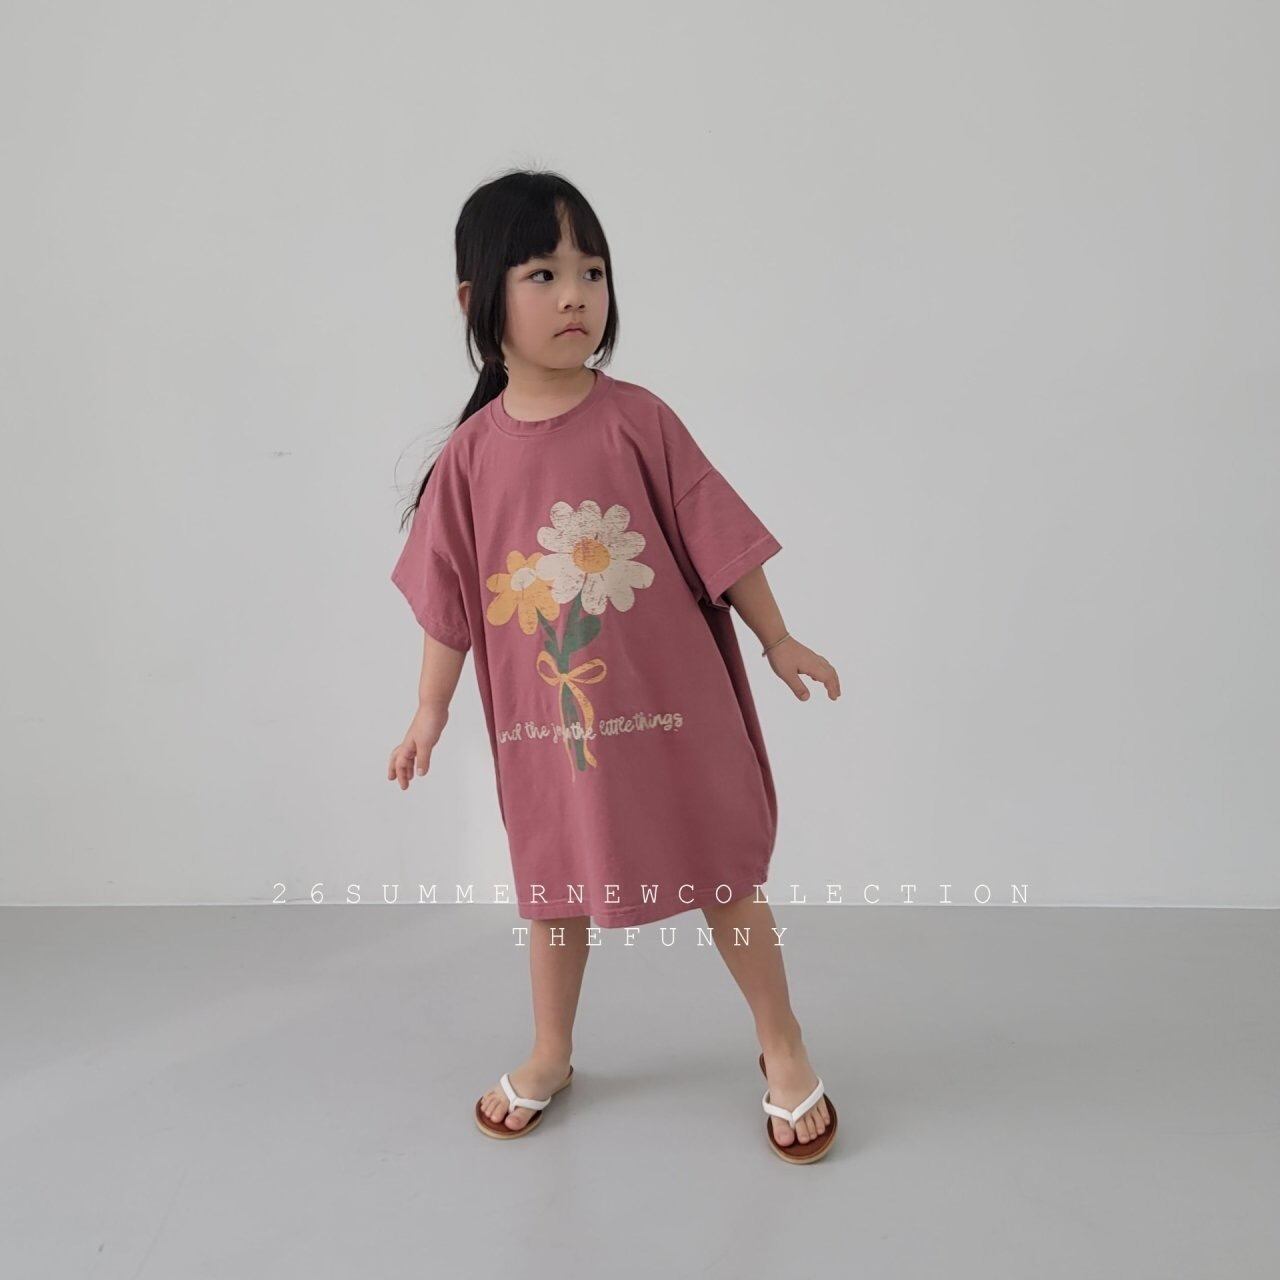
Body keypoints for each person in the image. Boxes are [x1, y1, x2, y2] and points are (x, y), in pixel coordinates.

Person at [386, 169, 842, 1162]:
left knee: (723, 870)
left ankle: (782, 1040)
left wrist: (777, 639)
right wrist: (429, 708)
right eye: (542, 273)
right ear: (475, 300)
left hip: (674, 715)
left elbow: (718, 537)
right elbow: (450, 597)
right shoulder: (468, 459)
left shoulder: (640, 420)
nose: (575, 295)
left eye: (591, 271)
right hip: (550, 732)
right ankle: (551, 1050)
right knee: (553, 886)